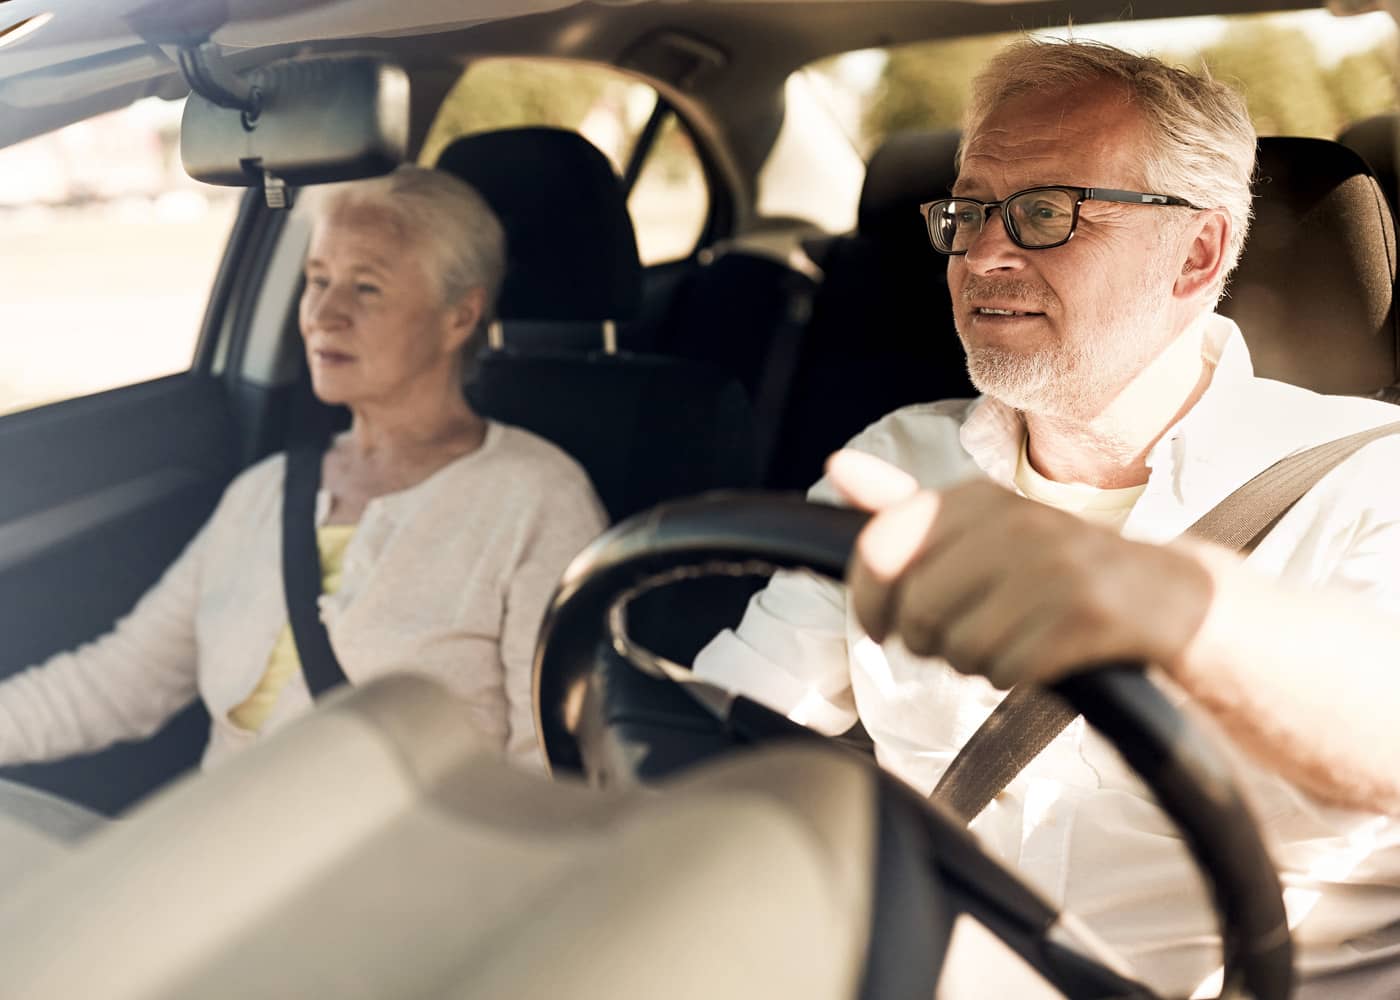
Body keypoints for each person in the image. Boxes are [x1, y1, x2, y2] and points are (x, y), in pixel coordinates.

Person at [694, 39, 1400, 997]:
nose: (985, 253)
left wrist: (1170, 607)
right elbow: (719, 745)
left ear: (1197, 253)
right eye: (971, 210)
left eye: (1045, 213)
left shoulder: (1370, 479)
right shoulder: (900, 462)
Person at [0, 165, 607, 774]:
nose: (323, 314)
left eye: (365, 288)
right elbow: (120, 682)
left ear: (459, 316)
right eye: (317, 280)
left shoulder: (537, 498)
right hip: (214, 839)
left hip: (403, 860)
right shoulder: (263, 492)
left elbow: (551, 768)